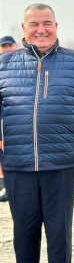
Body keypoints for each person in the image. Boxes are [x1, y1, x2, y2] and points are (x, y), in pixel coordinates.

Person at [0, 3, 74, 263]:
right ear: (24, 30)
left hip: (62, 167)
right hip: (19, 167)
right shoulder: (3, 65)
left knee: (59, 239)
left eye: (47, 23)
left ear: (56, 26)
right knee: (24, 241)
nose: (41, 29)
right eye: (34, 24)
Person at [0, 34, 19, 202]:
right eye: (3, 46)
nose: (6, 48)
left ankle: (7, 187)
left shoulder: (21, 66)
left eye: (9, 45)